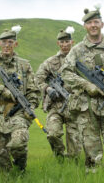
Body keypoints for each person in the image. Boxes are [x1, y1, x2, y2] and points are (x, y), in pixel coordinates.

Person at [60, 6, 104, 172]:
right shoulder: (76, 51)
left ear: (102, 24)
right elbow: (65, 73)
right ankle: (94, 177)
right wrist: (87, 85)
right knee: (92, 152)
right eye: (89, 22)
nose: (93, 25)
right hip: (86, 107)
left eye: (96, 22)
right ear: (85, 26)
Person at [0, 26, 39, 174]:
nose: (7, 45)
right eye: (4, 42)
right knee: (1, 155)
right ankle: (6, 178)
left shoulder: (24, 65)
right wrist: (1, 90)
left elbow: (34, 90)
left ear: (15, 44)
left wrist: (31, 106)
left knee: (18, 143)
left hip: (19, 113)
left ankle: (20, 171)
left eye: (10, 42)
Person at [35, 26, 82, 160]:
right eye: (62, 42)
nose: (64, 45)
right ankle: (60, 158)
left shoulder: (79, 62)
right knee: (52, 134)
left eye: (67, 41)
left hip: (74, 106)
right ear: (58, 43)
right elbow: (37, 79)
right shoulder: (50, 62)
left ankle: (72, 165)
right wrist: (47, 89)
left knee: (75, 147)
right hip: (55, 106)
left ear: (72, 42)